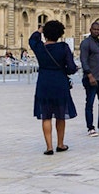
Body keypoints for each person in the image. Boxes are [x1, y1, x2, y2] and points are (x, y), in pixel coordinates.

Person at [31, 21, 77, 155]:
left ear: (45, 34)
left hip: (44, 83)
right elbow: (72, 68)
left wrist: (40, 30)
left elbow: (32, 40)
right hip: (60, 83)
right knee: (60, 115)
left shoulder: (39, 47)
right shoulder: (63, 47)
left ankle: (49, 147)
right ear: (60, 34)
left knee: (46, 116)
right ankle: (61, 144)